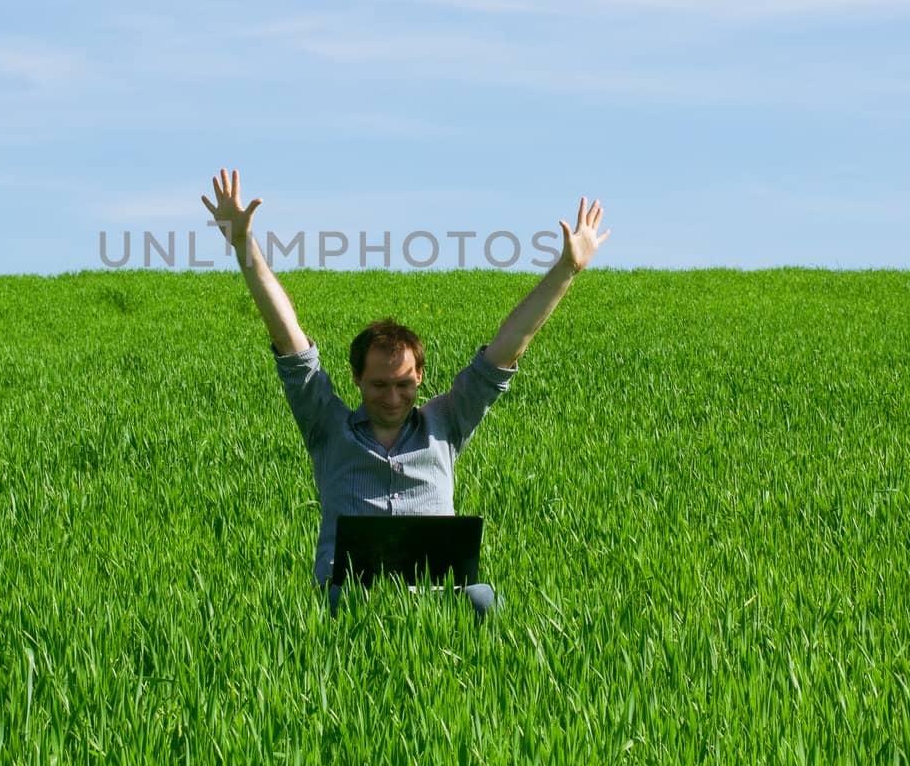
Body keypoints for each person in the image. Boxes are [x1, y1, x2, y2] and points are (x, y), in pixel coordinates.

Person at [201, 168, 609, 621]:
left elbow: (507, 348)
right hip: (349, 592)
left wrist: (567, 269)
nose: (393, 397)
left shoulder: (447, 422)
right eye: (379, 385)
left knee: (483, 600)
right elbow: (289, 338)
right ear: (356, 378)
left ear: (420, 378)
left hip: (438, 590)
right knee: (335, 604)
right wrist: (244, 247)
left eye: (404, 384)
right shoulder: (327, 426)